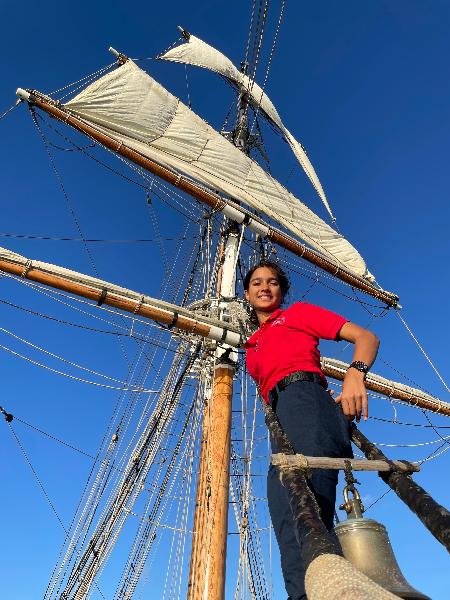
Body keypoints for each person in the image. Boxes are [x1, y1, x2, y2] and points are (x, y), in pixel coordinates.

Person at [243, 260, 379, 600]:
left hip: (307, 404)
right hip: (280, 419)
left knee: (311, 515)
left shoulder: (297, 314)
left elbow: (365, 337)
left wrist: (354, 374)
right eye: (257, 282)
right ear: (246, 294)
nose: (264, 287)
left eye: (273, 282)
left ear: (282, 291)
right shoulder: (252, 347)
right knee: (286, 523)